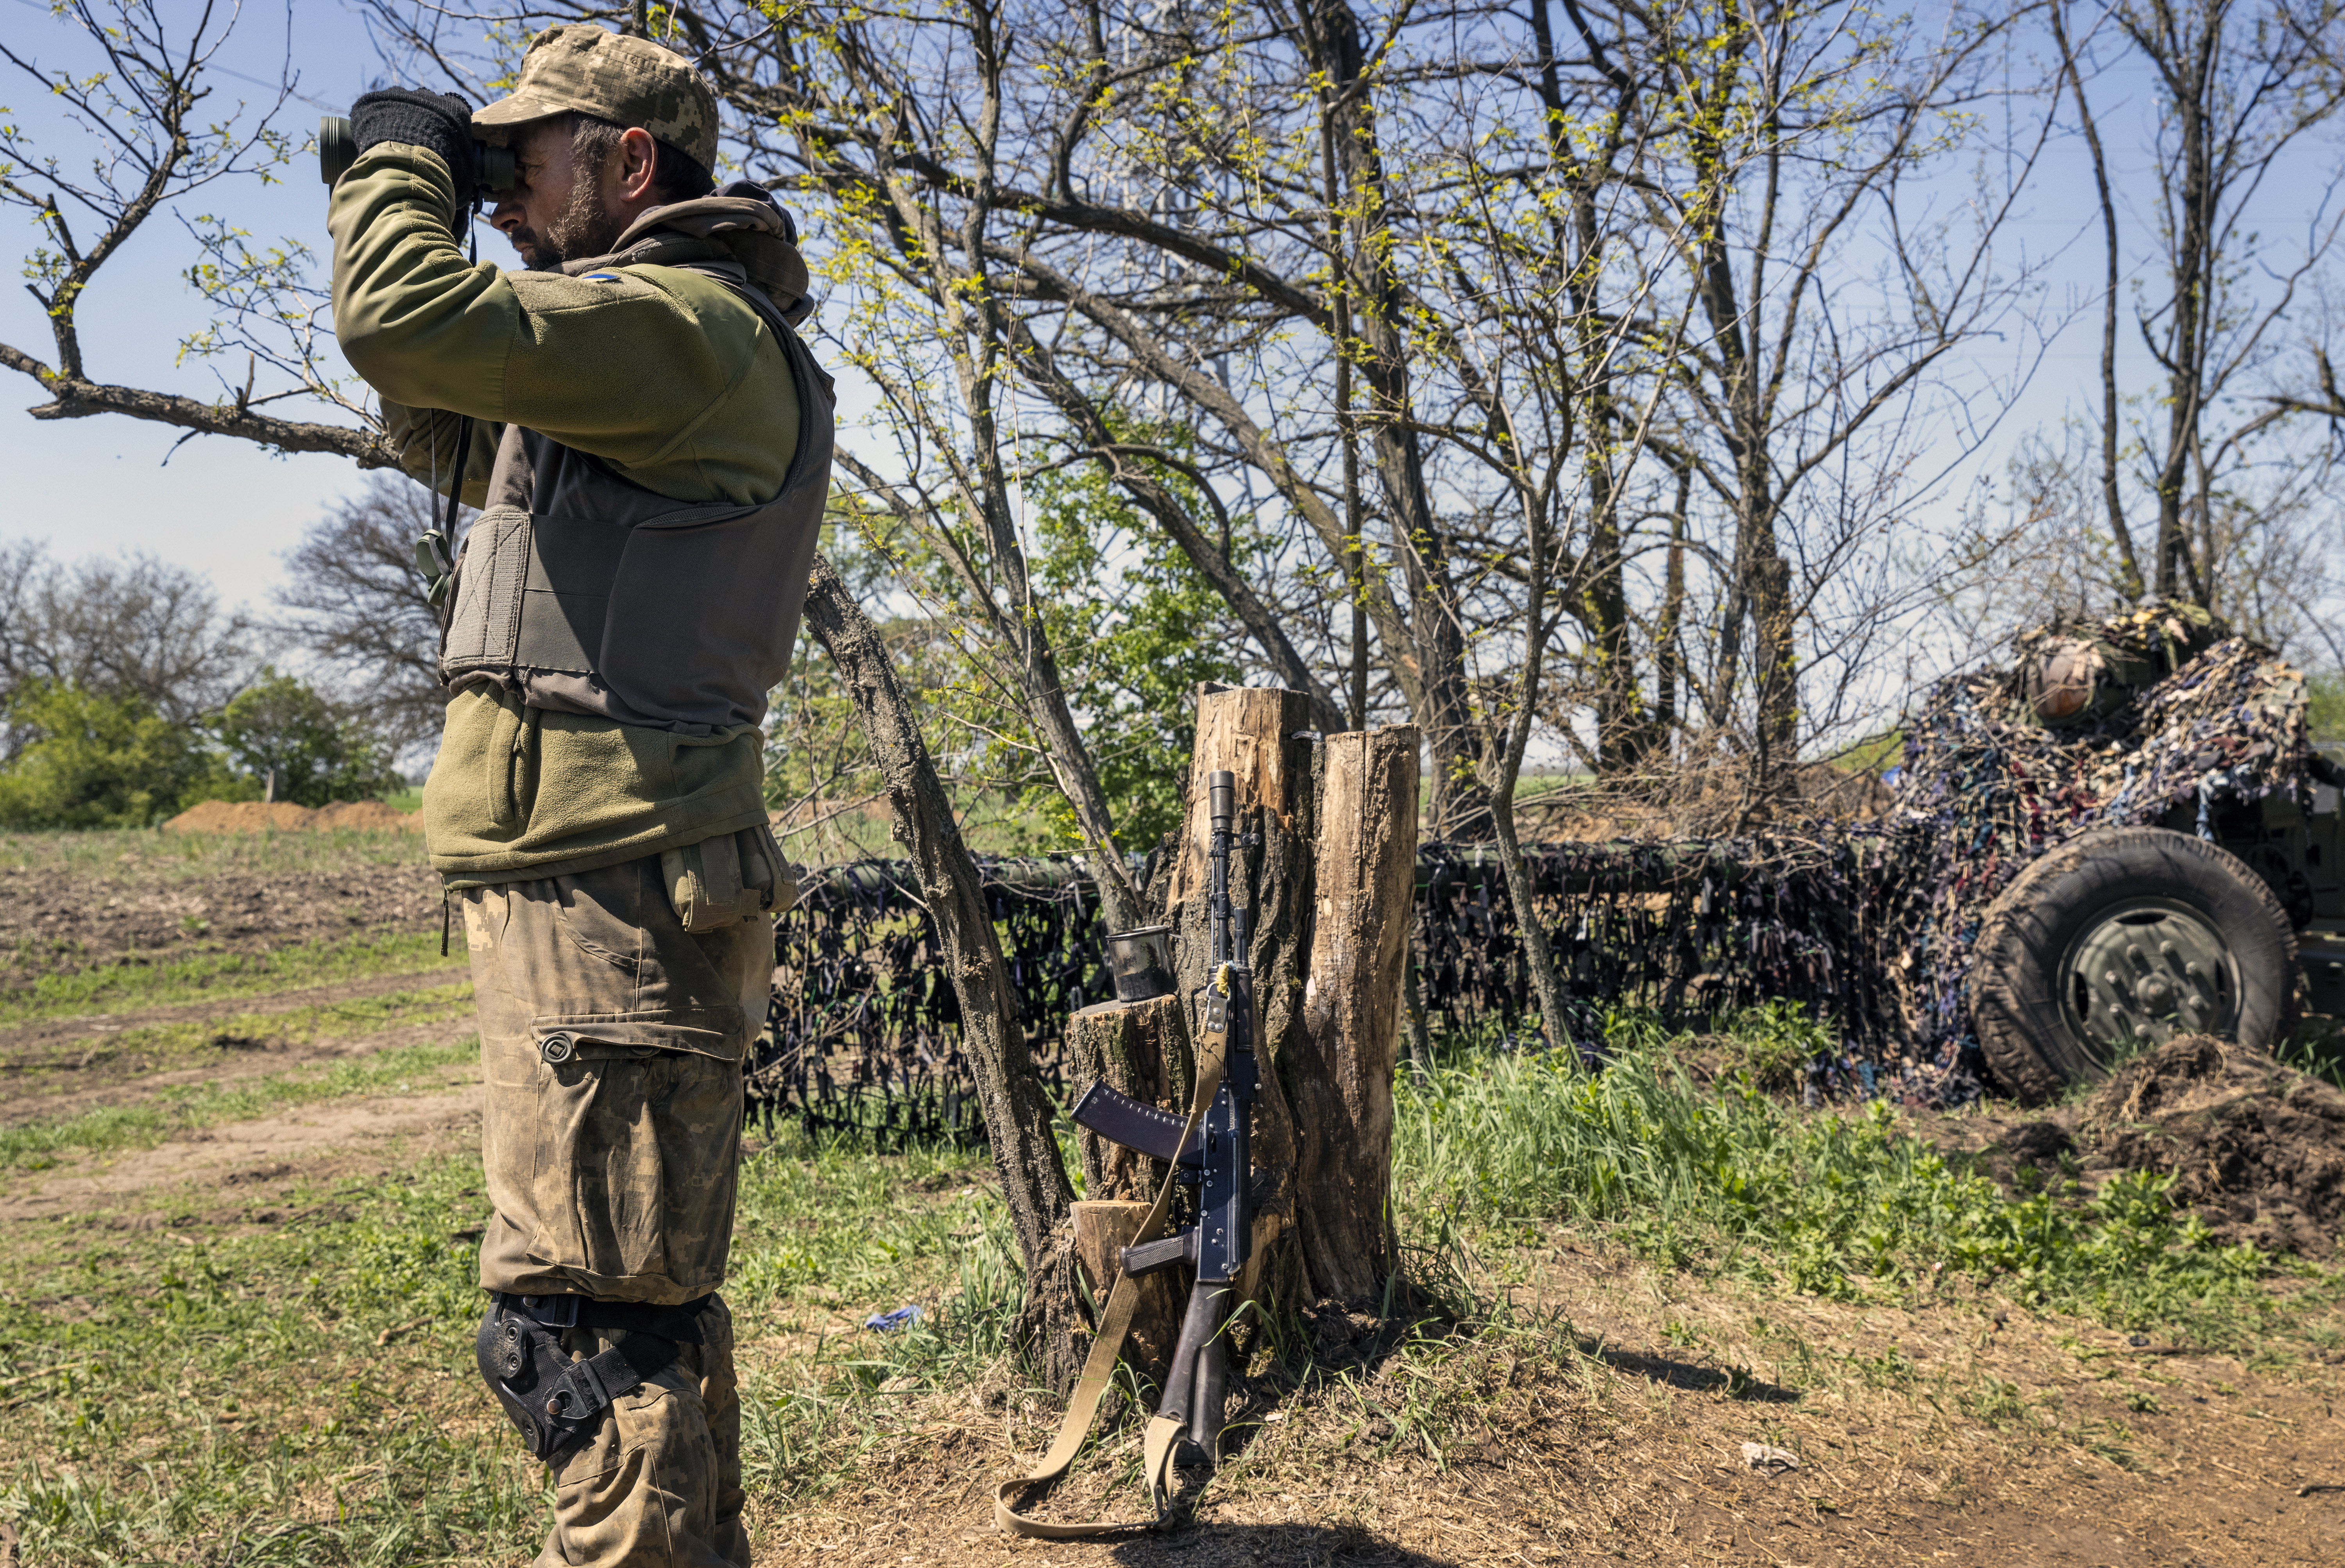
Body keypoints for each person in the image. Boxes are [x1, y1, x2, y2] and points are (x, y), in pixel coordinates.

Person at [328, 23, 833, 1566]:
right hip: (595, 876)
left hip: (612, 885)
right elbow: (439, 410)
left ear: (628, 165)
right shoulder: (633, 340)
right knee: (628, 1317)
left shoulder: (682, 325)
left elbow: (404, 321)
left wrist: (402, 190)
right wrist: (382, 189)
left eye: (520, 163)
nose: (496, 201)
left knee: (584, 1341)